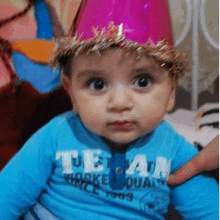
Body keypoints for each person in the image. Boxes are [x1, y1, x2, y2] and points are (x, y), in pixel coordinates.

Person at [0, 0, 219, 219]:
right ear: (71, 93)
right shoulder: (56, 135)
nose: (119, 102)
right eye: (97, 84)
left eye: (142, 81)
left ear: (171, 92)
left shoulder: (174, 149)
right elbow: (7, 198)